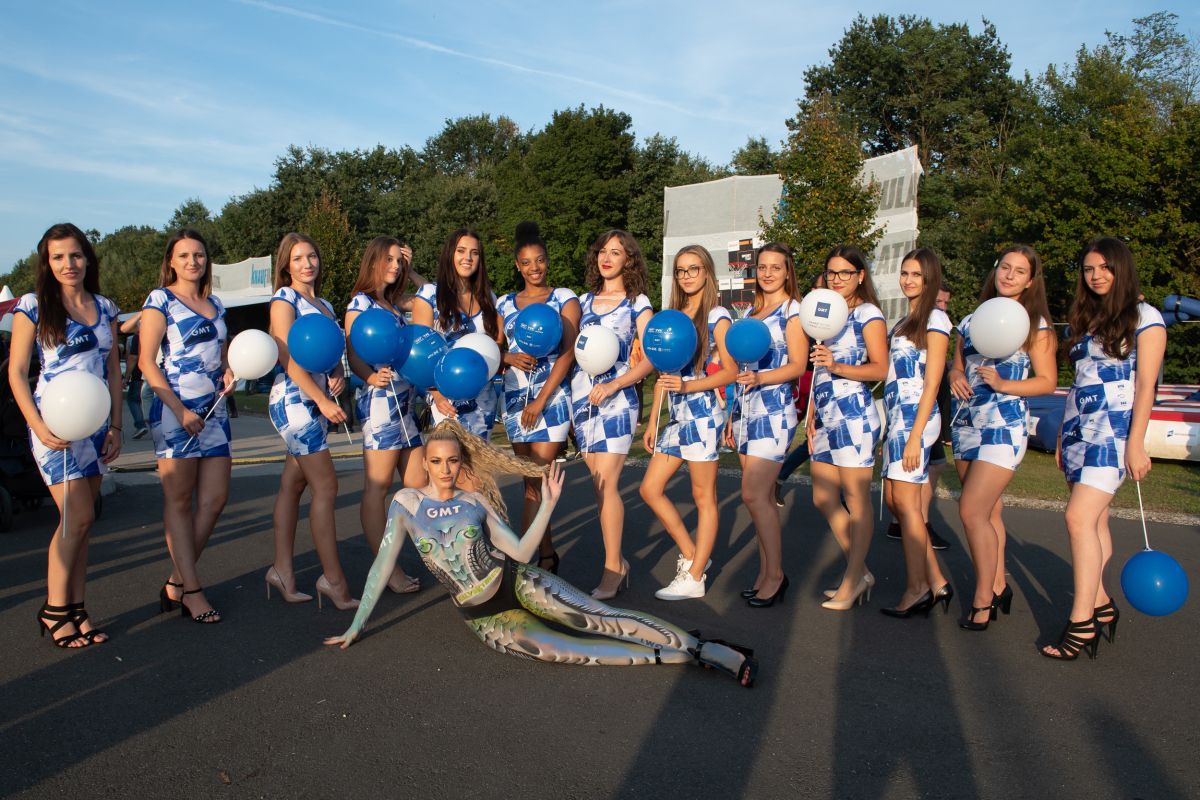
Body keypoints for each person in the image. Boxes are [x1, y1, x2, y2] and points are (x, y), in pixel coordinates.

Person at [324, 420, 757, 687]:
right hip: (484, 616)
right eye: (436, 462)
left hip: (517, 581)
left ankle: (705, 649)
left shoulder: (475, 502)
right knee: (567, 650)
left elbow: (521, 550)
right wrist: (357, 625)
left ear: (461, 462)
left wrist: (547, 505)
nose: (445, 469)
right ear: (424, 463)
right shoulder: (405, 504)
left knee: (597, 619)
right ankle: (678, 655)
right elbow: (381, 567)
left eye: (452, 461)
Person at [1043, 237, 1166, 660]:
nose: (1096, 276)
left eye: (1105, 268)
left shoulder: (1145, 317)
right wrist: (1063, 434)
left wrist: (1137, 443)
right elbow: (1078, 383)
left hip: (1114, 433)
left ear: (1121, 269)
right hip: (1079, 430)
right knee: (1095, 523)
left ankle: (1081, 623)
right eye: (1089, 269)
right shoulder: (1087, 318)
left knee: (1077, 518)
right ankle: (1101, 605)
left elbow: (1146, 385)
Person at [9, 223, 122, 647]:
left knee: (83, 523)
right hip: (53, 426)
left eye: (75, 255)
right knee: (78, 517)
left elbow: (114, 372)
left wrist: (116, 426)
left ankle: (77, 607)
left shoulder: (105, 307)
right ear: (47, 263)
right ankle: (55, 608)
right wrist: (39, 426)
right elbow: (17, 373)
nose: (68, 264)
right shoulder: (34, 306)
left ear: (87, 258)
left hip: (95, 425)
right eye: (57, 257)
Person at [949, 245, 1056, 631]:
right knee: (990, 512)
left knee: (971, 511)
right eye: (1005, 267)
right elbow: (958, 362)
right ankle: (997, 585)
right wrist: (955, 374)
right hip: (966, 423)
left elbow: (1047, 382)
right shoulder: (971, 319)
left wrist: (1005, 384)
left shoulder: (1036, 326)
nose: (1009, 275)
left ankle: (982, 601)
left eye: (1019, 271)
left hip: (1004, 426)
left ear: (1030, 281)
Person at [140, 229, 234, 624]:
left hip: (215, 412)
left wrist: (229, 370)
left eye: (199, 255)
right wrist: (179, 411)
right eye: (184, 255)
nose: (193, 261)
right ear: (171, 262)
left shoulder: (216, 303)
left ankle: (177, 581)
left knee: (214, 501)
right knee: (179, 503)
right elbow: (146, 362)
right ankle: (192, 592)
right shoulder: (160, 300)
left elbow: (222, 353)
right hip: (175, 412)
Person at [266, 232, 358, 610]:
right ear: (286, 266)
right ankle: (334, 581)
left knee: (293, 485)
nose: (307, 264)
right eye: (298, 258)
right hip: (295, 402)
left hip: (317, 402)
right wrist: (320, 399)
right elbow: (286, 356)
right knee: (327, 486)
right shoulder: (283, 299)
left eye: (312, 256)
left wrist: (336, 372)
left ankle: (281, 571)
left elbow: (328, 351)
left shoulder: (325, 305)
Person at [640, 245, 736, 600]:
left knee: (702, 496)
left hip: (703, 414)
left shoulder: (717, 316)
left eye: (693, 269)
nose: (686, 276)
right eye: (681, 270)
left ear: (706, 272)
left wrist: (688, 386)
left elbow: (730, 371)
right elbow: (663, 373)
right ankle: (695, 555)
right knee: (650, 489)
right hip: (676, 416)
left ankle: (694, 578)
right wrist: (653, 419)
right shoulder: (673, 316)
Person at [570, 230, 654, 599]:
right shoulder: (583, 301)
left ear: (629, 260)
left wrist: (616, 385)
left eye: (616, 252)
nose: (607, 258)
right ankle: (618, 562)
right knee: (597, 485)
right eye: (603, 251)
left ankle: (612, 569)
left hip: (618, 400)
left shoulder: (638, 304)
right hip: (582, 398)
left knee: (606, 483)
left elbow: (651, 358)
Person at [726, 242, 807, 607]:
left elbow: (798, 366)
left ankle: (776, 576)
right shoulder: (752, 312)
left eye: (776, 267)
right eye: (762, 267)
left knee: (754, 495)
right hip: (746, 410)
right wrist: (732, 414)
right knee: (761, 500)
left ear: (788, 272)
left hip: (773, 413)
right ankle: (765, 573)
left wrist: (761, 379)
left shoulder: (793, 311)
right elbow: (742, 365)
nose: (768, 273)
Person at [808, 245, 888, 611]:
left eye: (845, 272)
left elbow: (880, 368)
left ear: (860, 275)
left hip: (854, 415)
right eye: (831, 272)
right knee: (823, 497)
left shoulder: (867, 313)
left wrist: (837, 366)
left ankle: (853, 578)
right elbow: (818, 368)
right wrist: (812, 411)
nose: (837, 279)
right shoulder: (826, 310)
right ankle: (862, 572)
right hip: (825, 415)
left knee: (857, 502)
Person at [496, 222, 579, 573]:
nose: (535, 268)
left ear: (547, 261)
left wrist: (542, 400)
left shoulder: (564, 298)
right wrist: (507, 357)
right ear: (518, 265)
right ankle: (545, 553)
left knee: (539, 478)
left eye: (540, 260)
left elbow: (568, 352)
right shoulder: (503, 303)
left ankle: (519, 561)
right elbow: (494, 350)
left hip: (551, 399)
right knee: (530, 482)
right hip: (514, 399)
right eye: (527, 262)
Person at [345, 237, 424, 595]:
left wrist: (414, 270)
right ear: (373, 261)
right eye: (388, 259)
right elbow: (352, 350)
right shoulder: (360, 303)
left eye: (398, 260)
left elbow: (429, 296)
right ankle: (386, 569)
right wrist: (368, 376)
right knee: (377, 489)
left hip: (406, 404)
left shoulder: (394, 303)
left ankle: (432, 556)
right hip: (379, 403)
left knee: (419, 487)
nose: (394, 266)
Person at [879, 248, 953, 618]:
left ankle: (917, 587)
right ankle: (936, 580)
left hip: (916, 420)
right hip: (898, 420)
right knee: (897, 501)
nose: (909, 280)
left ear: (930, 279)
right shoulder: (904, 321)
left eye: (917, 275)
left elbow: (932, 383)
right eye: (905, 273)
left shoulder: (935, 319)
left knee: (907, 506)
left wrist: (914, 435)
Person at [411, 228, 501, 439]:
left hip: (483, 398)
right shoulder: (429, 294)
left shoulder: (489, 298)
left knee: (479, 460)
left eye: (474, 253)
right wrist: (436, 395)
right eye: (461, 251)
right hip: (445, 397)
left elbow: (494, 346)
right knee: (450, 457)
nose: (468, 258)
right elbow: (421, 352)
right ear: (450, 254)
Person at [122, 328, 148, 439]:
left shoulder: (138, 336)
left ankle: (141, 424)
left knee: (133, 400)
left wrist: (126, 377)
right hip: (157, 373)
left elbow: (133, 357)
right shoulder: (158, 332)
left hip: (139, 374)